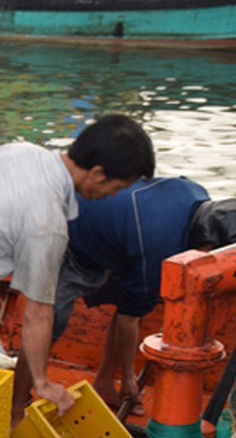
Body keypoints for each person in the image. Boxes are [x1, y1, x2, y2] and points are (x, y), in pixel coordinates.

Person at [0, 114, 155, 423]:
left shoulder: (19, 151)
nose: (112, 196)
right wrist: (43, 384)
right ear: (98, 173)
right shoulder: (48, 225)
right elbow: (37, 314)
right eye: (117, 187)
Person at [13, 176, 211, 420]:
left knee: (126, 297)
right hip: (63, 236)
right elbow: (130, 318)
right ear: (205, 247)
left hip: (113, 235)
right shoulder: (157, 246)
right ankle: (15, 408)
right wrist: (129, 377)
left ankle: (105, 384)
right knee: (47, 325)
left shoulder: (195, 191)